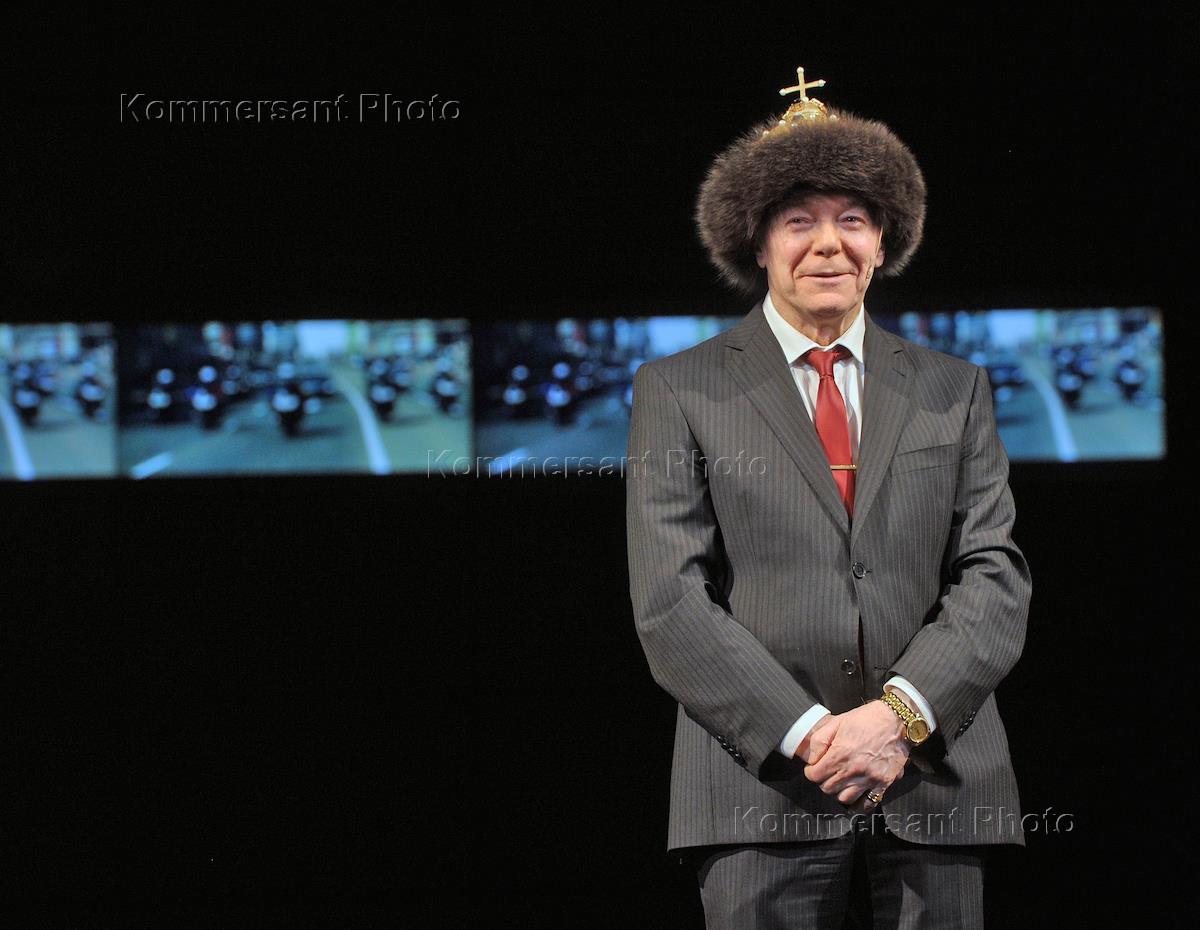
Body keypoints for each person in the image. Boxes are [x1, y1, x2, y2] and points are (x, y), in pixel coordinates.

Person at [625, 67, 1031, 928]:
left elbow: (994, 574)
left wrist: (898, 719)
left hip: (935, 778)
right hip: (761, 787)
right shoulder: (678, 389)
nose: (827, 244)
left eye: (852, 219)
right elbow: (670, 601)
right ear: (757, 242)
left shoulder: (955, 389)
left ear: (883, 242)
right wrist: (814, 733)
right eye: (798, 220)